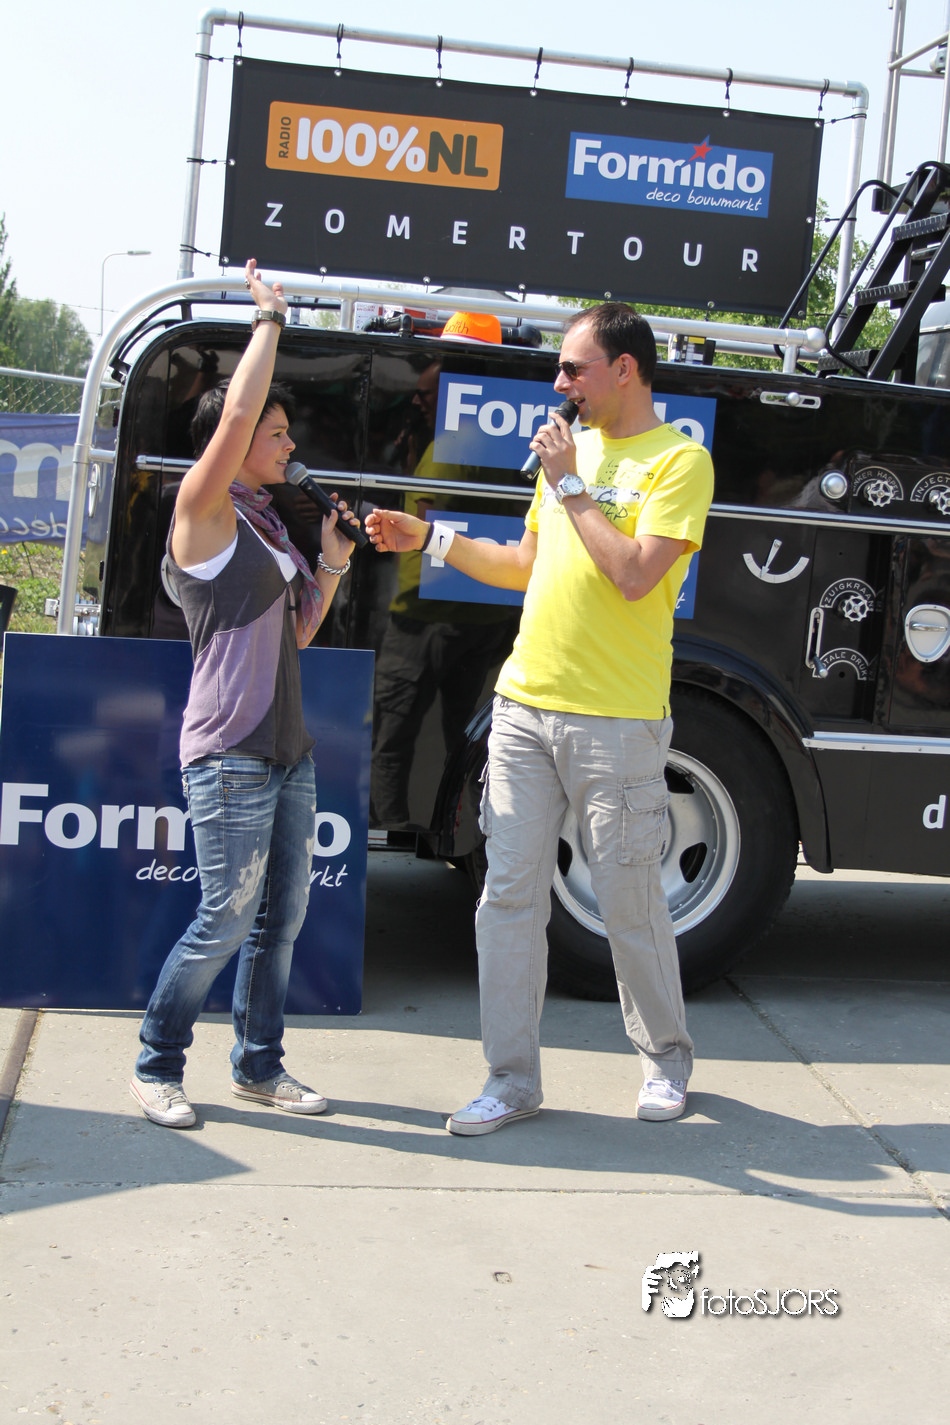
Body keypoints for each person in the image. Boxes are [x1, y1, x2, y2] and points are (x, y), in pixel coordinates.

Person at [365, 302, 714, 1134]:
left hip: (617, 719)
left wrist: (572, 484)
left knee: (629, 902)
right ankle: (511, 1078)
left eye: (573, 368)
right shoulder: (569, 453)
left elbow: (634, 575)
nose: (560, 384)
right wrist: (431, 538)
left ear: (624, 368)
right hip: (523, 708)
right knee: (507, 898)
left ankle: (666, 1060)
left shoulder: (679, 461)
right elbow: (524, 563)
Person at [130, 258, 359, 1129]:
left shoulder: (265, 525)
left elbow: (298, 632)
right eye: (278, 433)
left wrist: (331, 558)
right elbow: (232, 418)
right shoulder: (203, 509)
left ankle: (260, 1065)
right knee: (223, 920)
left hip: (288, 750)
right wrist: (269, 320)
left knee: (280, 919)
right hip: (229, 752)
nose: (290, 445)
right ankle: (156, 1065)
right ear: (232, 441)